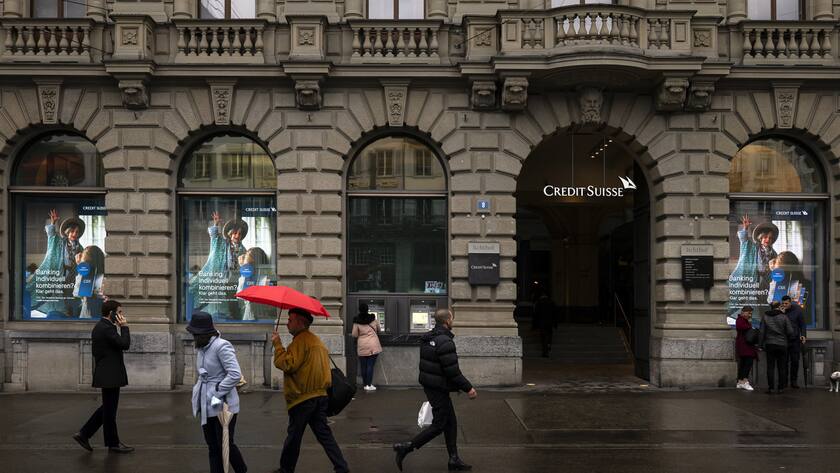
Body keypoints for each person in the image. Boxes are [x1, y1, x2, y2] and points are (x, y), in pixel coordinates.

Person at [393, 309, 477, 472]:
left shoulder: (429, 337)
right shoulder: (444, 341)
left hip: (433, 385)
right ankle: (407, 447)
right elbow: (452, 370)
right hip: (437, 387)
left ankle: (454, 459)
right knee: (439, 424)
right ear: (448, 320)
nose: (453, 321)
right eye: (452, 318)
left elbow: (437, 366)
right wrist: (469, 388)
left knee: (450, 422)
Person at [272, 308, 349, 473]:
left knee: (294, 437)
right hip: (320, 397)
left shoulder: (300, 341)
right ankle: (341, 467)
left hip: (303, 398)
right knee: (325, 436)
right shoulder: (316, 341)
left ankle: (286, 469)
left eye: (290, 320)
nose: (287, 323)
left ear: (300, 322)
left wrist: (278, 345)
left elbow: (287, 364)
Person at [187, 311, 248, 473]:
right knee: (212, 446)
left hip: (223, 404)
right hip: (206, 403)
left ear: (204, 333)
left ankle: (242, 470)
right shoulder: (202, 347)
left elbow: (235, 374)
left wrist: (216, 391)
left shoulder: (221, 346)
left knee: (225, 444)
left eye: (195, 334)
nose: (193, 337)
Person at [72, 300, 134, 453]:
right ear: (111, 313)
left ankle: (85, 434)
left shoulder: (105, 327)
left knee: (108, 409)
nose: (121, 316)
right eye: (119, 312)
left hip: (108, 374)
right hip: (109, 375)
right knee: (110, 411)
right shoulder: (106, 328)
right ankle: (111, 443)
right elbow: (125, 344)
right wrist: (124, 327)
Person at [189, 211, 248, 319]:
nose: (237, 236)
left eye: (239, 234)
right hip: (219, 277)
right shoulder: (222, 243)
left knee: (231, 302)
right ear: (230, 234)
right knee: (216, 300)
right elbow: (214, 236)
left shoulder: (243, 249)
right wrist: (216, 224)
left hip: (233, 281)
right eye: (235, 233)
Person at [28, 209, 86, 317]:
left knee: (71, 297)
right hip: (60, 273)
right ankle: (58, 314)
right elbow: (51, 236)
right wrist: (53, 223)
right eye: (72, 231)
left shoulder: (81, 248)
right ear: (68, 232)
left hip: (72, 277)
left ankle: (70, 313)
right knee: (58, 298)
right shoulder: (60, 242)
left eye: (77, 232)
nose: (74, 234)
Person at [759, 302, 794, 394]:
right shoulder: (784, 317)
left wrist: (760, 345)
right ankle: (781, 388)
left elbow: (762, 332)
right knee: (782, 367)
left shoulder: (765, 316)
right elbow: (790, 331)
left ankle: (771, 388)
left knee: (770, 367)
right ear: (779, 307)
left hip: (770, 344)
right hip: (782, 344)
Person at [352, 302, 382, 391]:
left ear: (359, 310)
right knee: (370, 366)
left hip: (362, 346)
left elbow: (354, 334)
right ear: (367, 309)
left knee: (363, 366)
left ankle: (365, 385)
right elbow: (379, 330)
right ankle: (369, 385)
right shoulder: (373, 319)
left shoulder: (356, 321)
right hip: (373, 345)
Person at [780, 295, 807, 389]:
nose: (784, 305)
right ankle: (784, 381)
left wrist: (803, 335)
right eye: (783, 303)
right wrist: (781, 313)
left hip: (795, 340)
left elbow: (802, 324)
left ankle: (793, 381)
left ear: (790, 303)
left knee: (795, 361)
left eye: (786, 303)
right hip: (783, 340)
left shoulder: (797, 310)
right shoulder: (780, 311)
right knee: (784, 362)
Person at [73, 245, 106, 319]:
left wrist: (80, 267)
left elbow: (77, 293)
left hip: (89, 316)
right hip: (95, 315)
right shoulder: (103, 276)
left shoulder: (90, 276)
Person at [734, 306, 757, 391]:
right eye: (749, 313)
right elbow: (741, 327)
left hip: (745, 345)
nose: (750, 315)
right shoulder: (740, 320)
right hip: (745, 346)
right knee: (747, 363)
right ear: (743, 312)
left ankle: (740, 382)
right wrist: (750, 327)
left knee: (744, 364)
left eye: (751, 313)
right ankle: (744, 381)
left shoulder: (744, 320)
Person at [532, 290, 557, 357]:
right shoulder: (552, 302)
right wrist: (555, 324)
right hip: (549, 322)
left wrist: (534, 325)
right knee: (549, 334)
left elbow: (536, 314)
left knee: (543, 337)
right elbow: (555, 314)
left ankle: (545, 351)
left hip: (542, 322)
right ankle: (549, 343)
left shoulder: (538, 303)